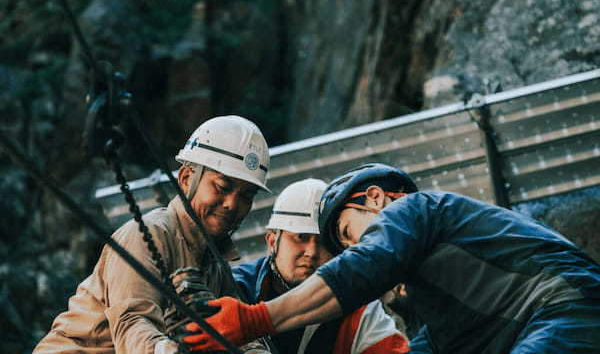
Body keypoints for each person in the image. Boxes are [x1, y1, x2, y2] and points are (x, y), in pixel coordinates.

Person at [181, 163, 600, 353]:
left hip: (564, 309)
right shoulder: (434, 308)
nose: (350, 250)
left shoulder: (417, 209)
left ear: (376, 199)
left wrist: (255, 319)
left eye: (347, 234)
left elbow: (365, 266)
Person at [32, 115, 271, 354]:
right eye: (222, 186)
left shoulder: (215, 264)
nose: (232, 203)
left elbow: (239, 335)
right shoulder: (148, 235)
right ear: (186, 179)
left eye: (246, 196)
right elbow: (134, 322)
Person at [229, 178, 409, 354]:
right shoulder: (235, 288)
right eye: (301, 237)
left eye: (323, 242)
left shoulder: (357, 305)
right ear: (272, 241)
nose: (312, 252)